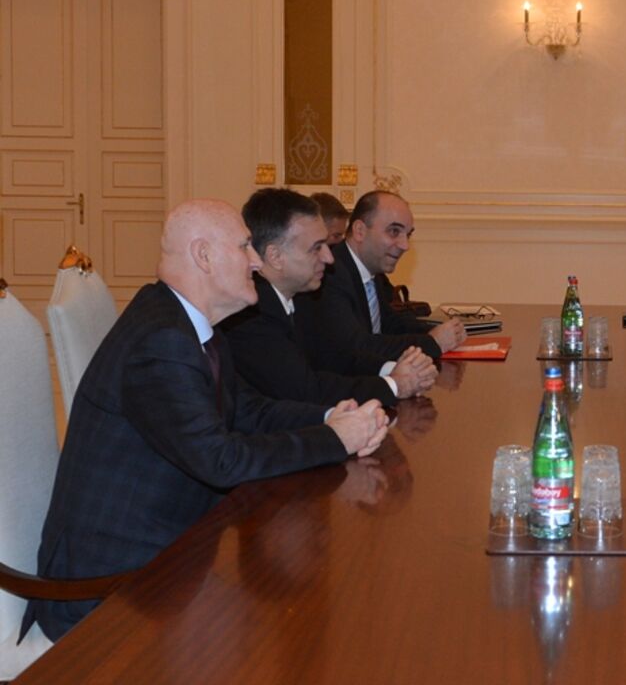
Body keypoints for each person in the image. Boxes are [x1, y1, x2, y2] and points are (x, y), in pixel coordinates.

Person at [26, 200, 388, 640]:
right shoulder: (162, 340)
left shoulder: (187, 323)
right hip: (111, 587)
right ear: (203, 255)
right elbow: (221, 461)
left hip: (170, 553)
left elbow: (248, 410)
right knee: (288, 618)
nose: (256, 261)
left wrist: (332, 417)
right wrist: (335, 440)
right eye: (243, 247)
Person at [222, 188, 437, 407]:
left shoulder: (303, 296)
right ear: (275, 256)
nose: (329, 258)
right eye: (316, 248)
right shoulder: (250, 314)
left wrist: (394, 369)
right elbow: (305, 391)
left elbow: (336, 356)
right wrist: (394, 385)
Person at [299, 190, 465, 375]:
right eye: (394, 231)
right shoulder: (330, 274)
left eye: (408, 234)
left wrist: (437, 330)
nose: (405, 245)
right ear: (360, 231)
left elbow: (390, 324)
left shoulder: (371, 269)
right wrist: (432, 342)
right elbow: (356, 346)